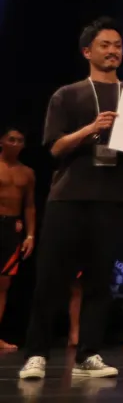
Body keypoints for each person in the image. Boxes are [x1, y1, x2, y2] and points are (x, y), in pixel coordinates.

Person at [19, 17, 123, 381]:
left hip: (113, 199)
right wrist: (91, 129)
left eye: (118, 45)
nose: (113, 51)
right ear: (87, 51)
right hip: (69, 198)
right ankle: (37, 354)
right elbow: (55, 148)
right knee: (51, 279)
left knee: (100, 280)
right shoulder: (68, 95)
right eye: (105, 45)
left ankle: (88, 354)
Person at [0, 128, 35, 350]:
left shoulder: (27, 173)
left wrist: (30, 234)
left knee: (3, 284)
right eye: (11, 139)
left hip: (12, 228)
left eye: (20, 140)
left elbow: (29, 205)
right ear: (2, 141)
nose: (15, 143)